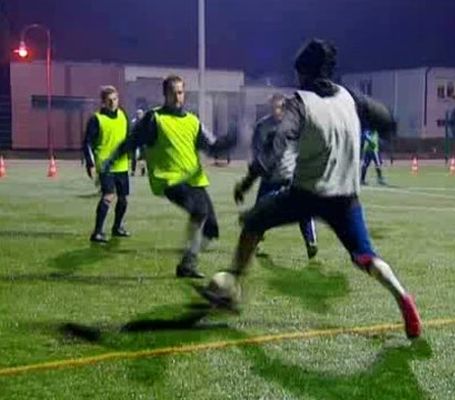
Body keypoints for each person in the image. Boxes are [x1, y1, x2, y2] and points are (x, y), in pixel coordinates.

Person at [205, 39, 422, 339]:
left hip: (306, 194)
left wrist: (248, 179)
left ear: (303, 73)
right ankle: (403, 299)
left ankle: (234, 283)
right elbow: (386, 120)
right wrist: (384, 132)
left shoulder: (300, 102)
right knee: (366, 256)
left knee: (253, 221)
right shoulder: (352, 98)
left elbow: (277, 146)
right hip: (346, 198)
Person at [102, 75, 235, 278]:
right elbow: (131, 141)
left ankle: (186, 265)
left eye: (180, 92)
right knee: (199, 211)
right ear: (165, 94)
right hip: (169, 179)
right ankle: (188, 263)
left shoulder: (192, 121)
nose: (177, 97)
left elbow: (212, 147)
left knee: (211, 229)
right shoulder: (154, 119)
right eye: (173, 93)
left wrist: (230, 140)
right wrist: (111, 161)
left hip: (195, 180)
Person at [246, 93, 318, 259]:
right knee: (259, 211)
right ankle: (253, 243)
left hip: (289, 176)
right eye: (273, 107)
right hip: (269, 178)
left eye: (279, 107)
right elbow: (256, 149)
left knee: (303, 209)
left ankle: (311, 242)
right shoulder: (262, 126)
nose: (276, 111)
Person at [83, 85, 131, 243]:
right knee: (109, 195)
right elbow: (87, 143)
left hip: (122, 165)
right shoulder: (96, 119)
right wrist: (90, 163)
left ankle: (117, 228)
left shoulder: (123, 116)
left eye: (115, 99)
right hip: (105, 164)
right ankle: (97, 232)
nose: (113, 103)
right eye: (109, 100)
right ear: (103, 102)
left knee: (123, 199)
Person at [130, 109, 146, 177]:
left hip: (142, 142)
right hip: (134, 141)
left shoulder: (145, 122)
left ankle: (143, 170)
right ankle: (133, 171)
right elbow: (131, 131)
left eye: (140, 113)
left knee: (142, 158)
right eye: (138, 113)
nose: (138, 115)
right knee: (133, 157)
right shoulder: (134, 122)